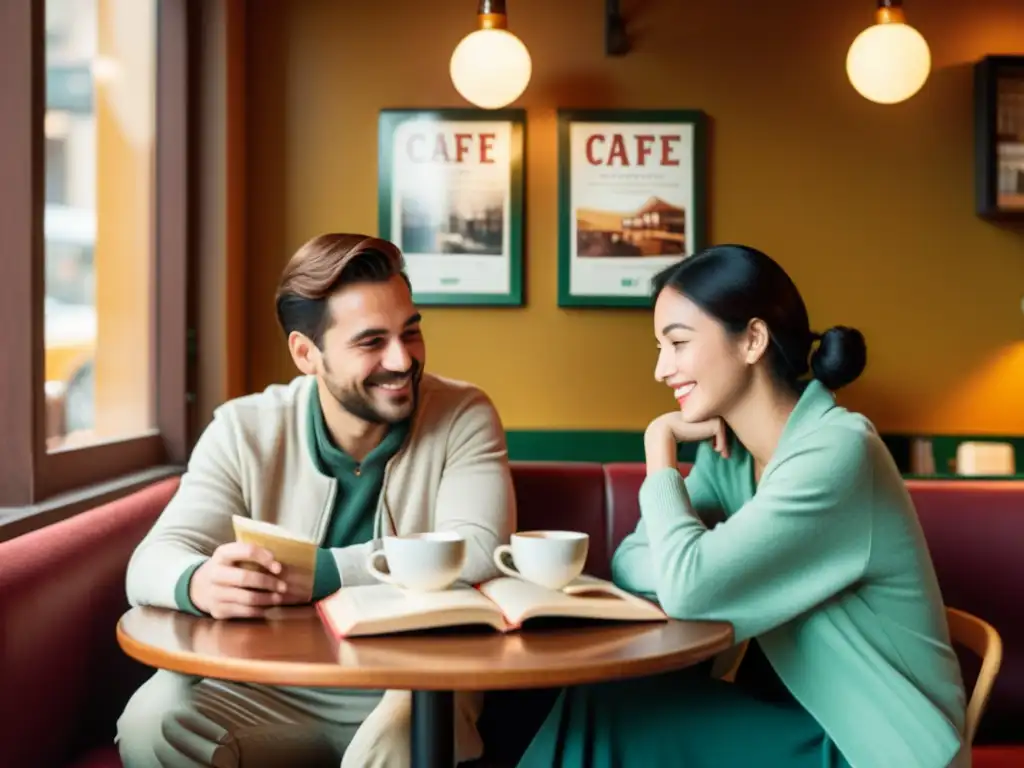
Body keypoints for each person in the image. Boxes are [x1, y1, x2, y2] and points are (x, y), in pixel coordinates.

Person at [517, 245, 967, 768]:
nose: (662, 369)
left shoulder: (838, 451)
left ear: (752, 339)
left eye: (678, 343)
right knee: (598, 704)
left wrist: (659, 446)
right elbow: (632, 559)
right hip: (797, 718)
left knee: (601, 715)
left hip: (879, 746)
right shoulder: (729, 458)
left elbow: (688, 587)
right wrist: (691, 563)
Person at [116, 233, 516, 767]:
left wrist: (322, 572)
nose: (403, 359)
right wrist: (199, 582)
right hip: (272, 686)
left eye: (410, 332)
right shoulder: (243, 428)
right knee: (152, 721)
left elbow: (482, 549)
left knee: (402, 736)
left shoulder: (463, 413)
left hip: (418, 679)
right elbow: (151, 561)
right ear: (307, 353)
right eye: (371, 342)